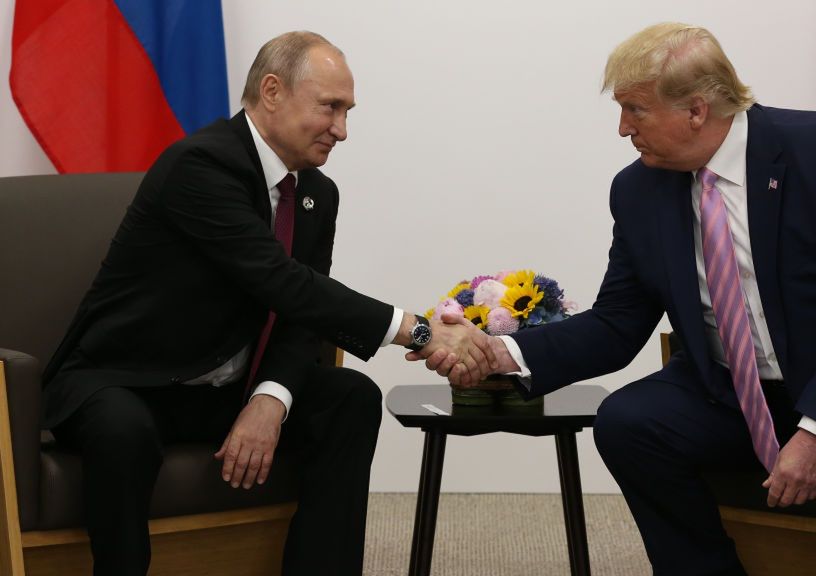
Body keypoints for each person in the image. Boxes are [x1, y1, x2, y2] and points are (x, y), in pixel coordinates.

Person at [416, 23, 816, 575]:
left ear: (697, 110)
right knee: (628, 424)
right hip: (740, 391)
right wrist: (499, 352)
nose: (623, 128)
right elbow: (618, 322)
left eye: (635, 110)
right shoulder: (638, 189)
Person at [42, 31, 492, 576]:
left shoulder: (316, 193)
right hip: (126, 379)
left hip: (221, 389)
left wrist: (270, 398)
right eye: (330, 107)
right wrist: (420, 331)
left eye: (347, 112)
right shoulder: (200, 166)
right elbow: (284, 283)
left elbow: (303, 317)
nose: (342, 130)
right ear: (273, 92)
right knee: (123, 431)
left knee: (349, 398)